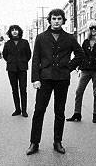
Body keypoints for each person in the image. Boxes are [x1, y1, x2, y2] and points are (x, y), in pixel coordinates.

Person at [27, 8, 84, 156]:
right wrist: (35, 79)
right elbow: (35, 60)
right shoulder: (41, 38)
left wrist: (68, 68)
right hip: (44, 79)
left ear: (63, 20)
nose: (56, 21)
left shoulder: (69, 38)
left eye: (59, 19)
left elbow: (80, 54)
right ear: (50, 20)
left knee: (59, 111)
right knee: (39, 110)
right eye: (54, 18)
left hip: (62, 79)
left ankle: (57, 142)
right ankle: (34, 143)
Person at [66, 19, 96, 123]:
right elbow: (81, 56)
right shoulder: (85, 42)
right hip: (85, 69)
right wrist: (79, 68)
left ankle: (95, 114)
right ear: (89, 30)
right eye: (91, 28)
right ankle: (77, 114)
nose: (93, 30)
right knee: (79, 91)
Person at [2, 25, 32, 117]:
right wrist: (12, 61)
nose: (14, 31)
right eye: (13, 30)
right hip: (11, 69)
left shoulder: (25, 42)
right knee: (14, 89)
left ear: (19, 31)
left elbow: (29, 55)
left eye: (16, 30)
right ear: (10, 32)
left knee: (23, 89)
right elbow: (5, 55)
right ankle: (17, 109)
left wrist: (22, 61)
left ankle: (24, 110)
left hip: (22, 68)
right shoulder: (7, 43)